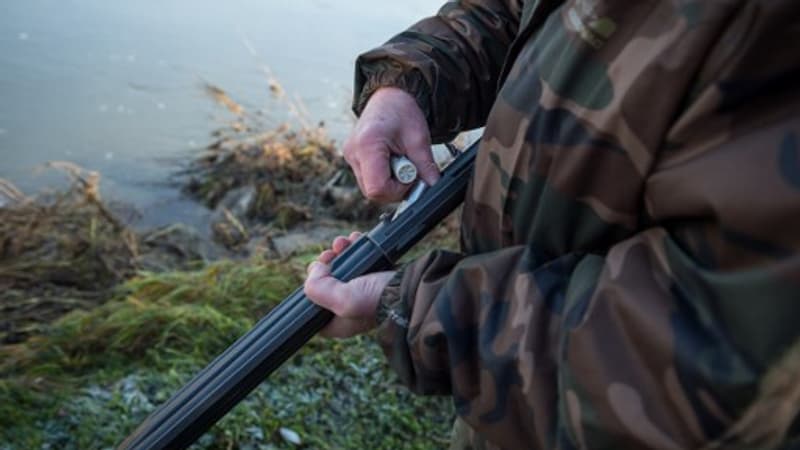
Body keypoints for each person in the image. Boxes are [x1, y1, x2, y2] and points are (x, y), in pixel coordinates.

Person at [304, 0, 800, 448]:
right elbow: (518, 10)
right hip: (506, 409)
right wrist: (407, 85)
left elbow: (717, 354)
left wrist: (420, 308)